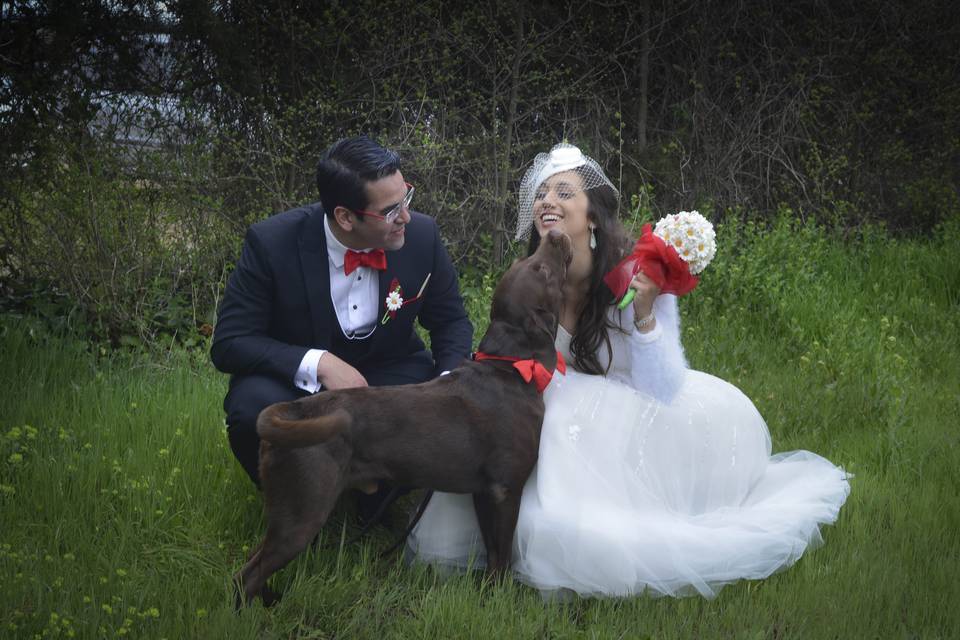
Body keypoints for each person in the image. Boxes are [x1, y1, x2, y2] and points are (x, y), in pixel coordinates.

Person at [406, 143, 850, 599]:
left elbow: (662, 385)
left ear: (592, 216)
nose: (547, 201)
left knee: (559, 422)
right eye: (541, 194)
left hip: (629, 407)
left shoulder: (633, 276)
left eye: (564, 192)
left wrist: (645, 315)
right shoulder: (533, 274)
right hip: (547, 395)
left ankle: (567, 546)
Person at [211, 136, 474, 510]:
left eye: (407, 198)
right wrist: (318, 363)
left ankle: (372, 500)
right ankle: (296, 504)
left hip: (389, 371)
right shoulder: (271, 243)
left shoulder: (422, 236)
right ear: (345, 217)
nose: (406, 217)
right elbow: (230, 342)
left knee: (382, 498)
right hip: (298, 385)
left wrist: (448, 387)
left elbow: (451, 322)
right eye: (390, 210)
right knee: (251, 408)